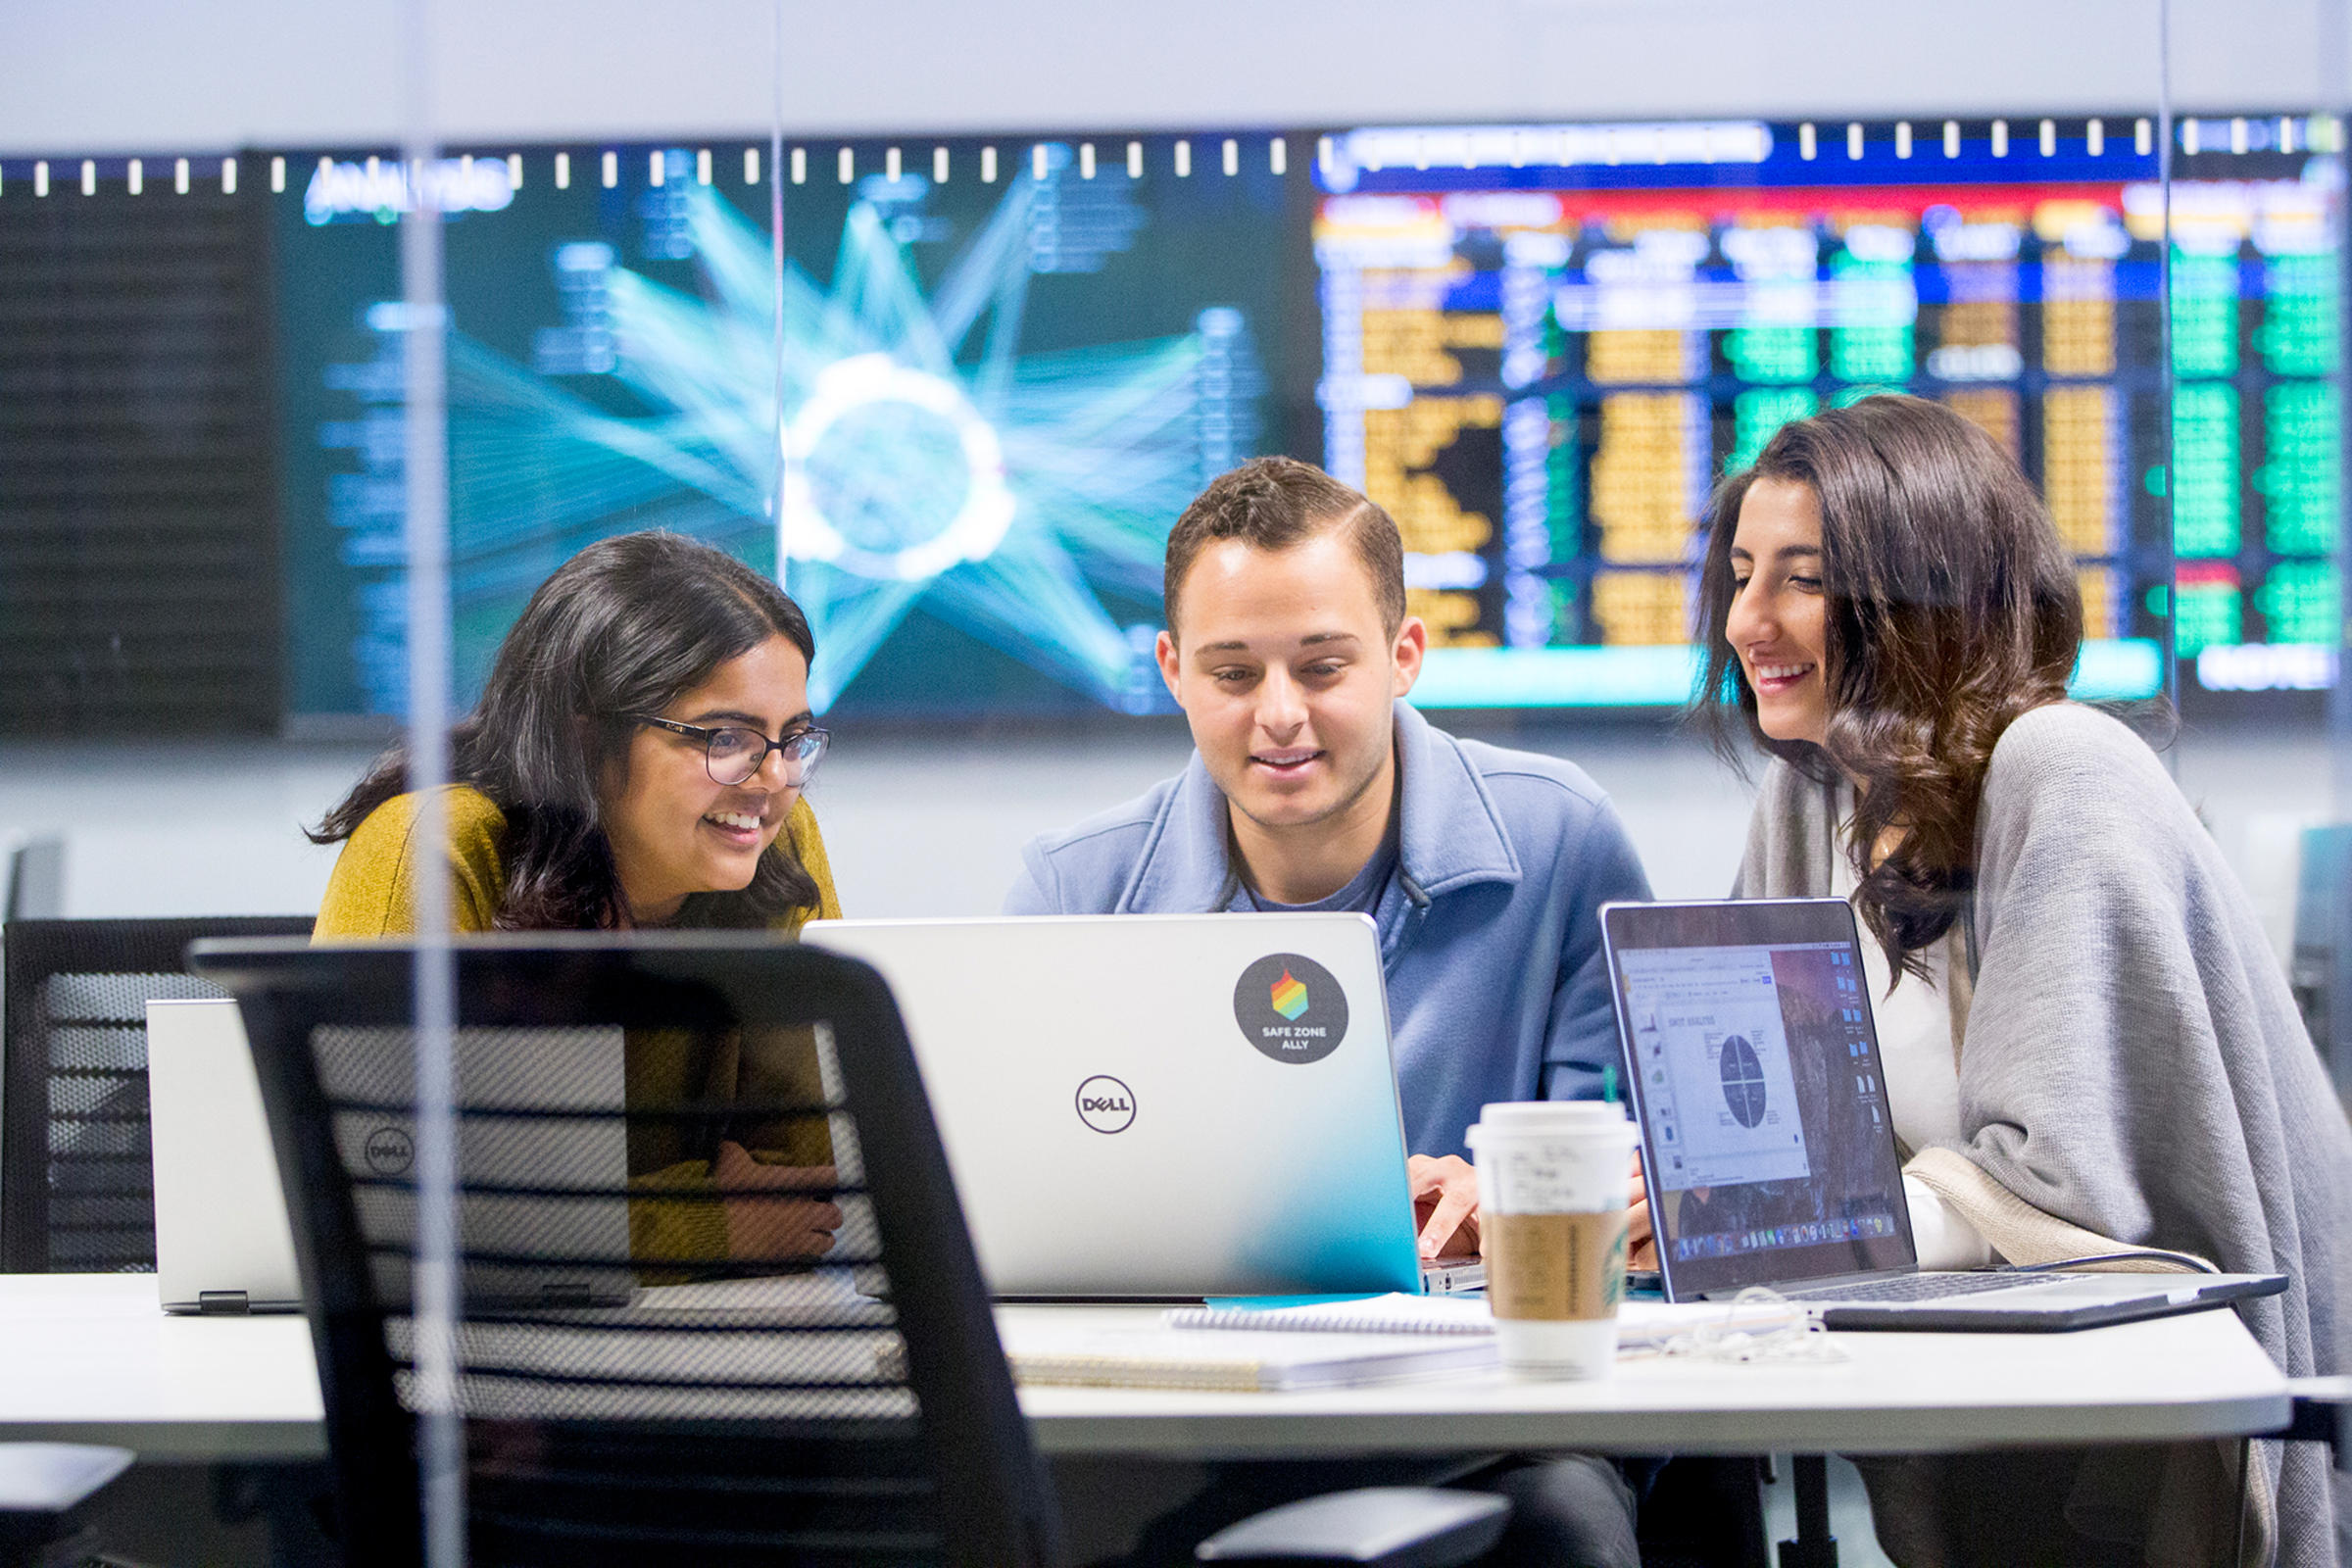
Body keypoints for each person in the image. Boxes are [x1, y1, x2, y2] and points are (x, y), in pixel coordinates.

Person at [1664, 393, 2351, 1568]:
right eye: (1739, 575)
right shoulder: (1810, 797)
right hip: (1995, 1397)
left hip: (2156, 1430)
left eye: (1801, 579)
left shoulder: (2063, 766)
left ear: (1921, 597)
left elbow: (2075, 1196)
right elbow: (1777, 1147)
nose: (1748, 621)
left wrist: (1775, 1216)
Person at [1008, 457, 1652, 1567]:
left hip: (1491, 1416)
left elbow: (1641, 1175)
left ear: (1405, 656)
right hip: (1176, 1414)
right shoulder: (1076, 886)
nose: (1279, 715)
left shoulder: (1560, 837)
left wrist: (1511, 1197)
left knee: (1565, 1517)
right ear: (1172, 671)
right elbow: (1016, 1204)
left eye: (1322, 665)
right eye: (1231, 671)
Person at [311, 530, 844, 1268]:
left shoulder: (773, 844)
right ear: (586, 740)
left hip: (718, 1328)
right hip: (477, 1354)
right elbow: (383, 1203)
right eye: (728, 738)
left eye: (795, 739)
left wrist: (578, 1210)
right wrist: (700, 1222)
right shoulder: (435, 846)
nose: (774, 780)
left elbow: (810, 1182)